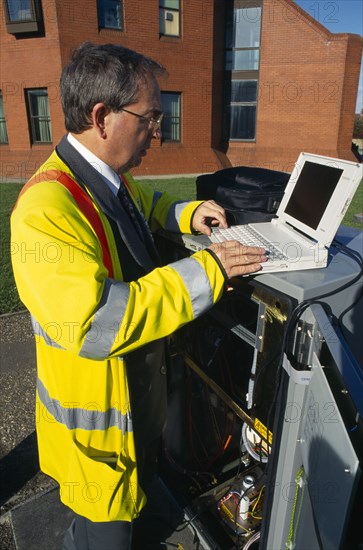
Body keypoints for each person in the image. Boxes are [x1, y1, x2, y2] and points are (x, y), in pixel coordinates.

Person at [10, 42, 267, 550]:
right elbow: (98, 321)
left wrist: (185, 214)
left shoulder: (104, 181)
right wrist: (208, 271)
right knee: (101, 536)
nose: (159, 131)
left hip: (131, 417)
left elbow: (142, 208)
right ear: (102, 116)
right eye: (150, 118)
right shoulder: (45, 210)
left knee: (119, 524)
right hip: (98, 443)